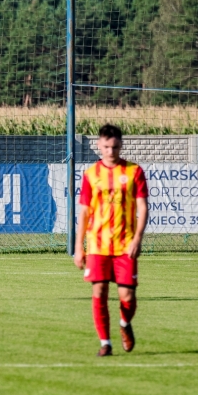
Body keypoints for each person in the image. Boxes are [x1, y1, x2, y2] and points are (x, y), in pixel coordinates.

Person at [73, 124, 149, 356]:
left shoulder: (134, 171)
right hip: (97, 245)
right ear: (99, 145)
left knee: (127, 296)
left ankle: (125, 324)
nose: (110, 151)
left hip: (126, 244)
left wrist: (137, 239)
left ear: (121, 145)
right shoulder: (91, 175)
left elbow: (143, 207)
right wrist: (79, 247)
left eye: (115, 147)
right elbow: (84, 212)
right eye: (106, 147)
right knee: (99, 291)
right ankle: (105, 343)